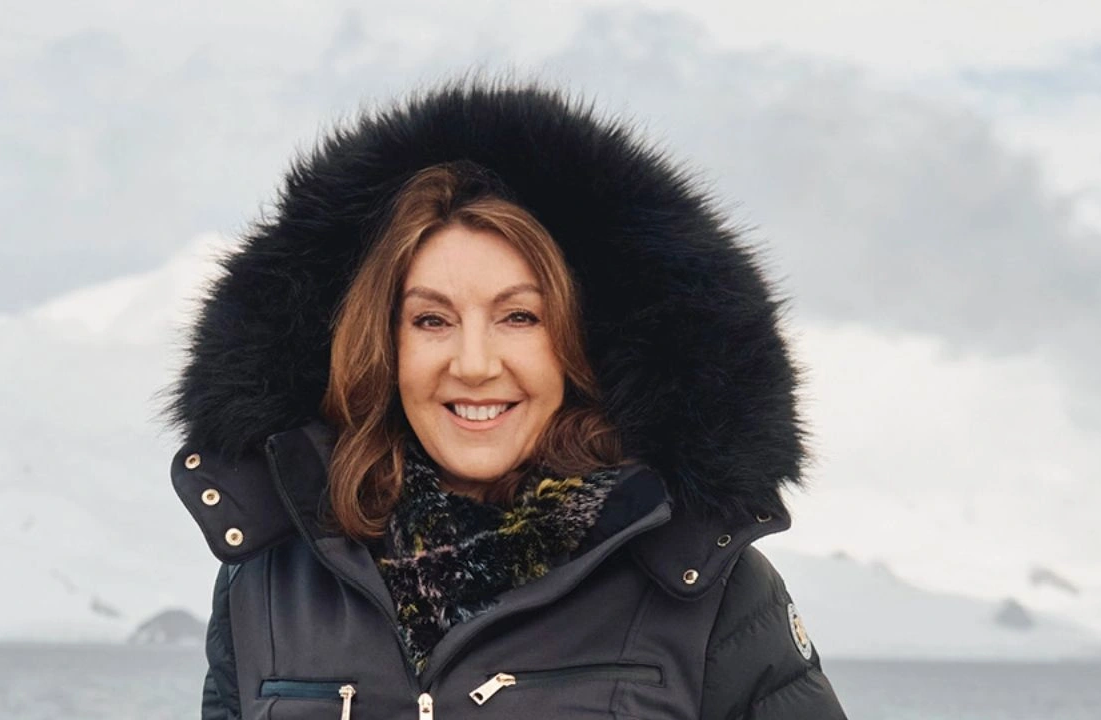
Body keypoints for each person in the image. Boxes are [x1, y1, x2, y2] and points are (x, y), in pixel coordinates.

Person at [170, 82, 848, 720]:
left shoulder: (703, 581)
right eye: (431, 320)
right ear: (381, 345)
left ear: (579, 344)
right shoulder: (266, 582)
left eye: (520, 317)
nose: (473, 363)